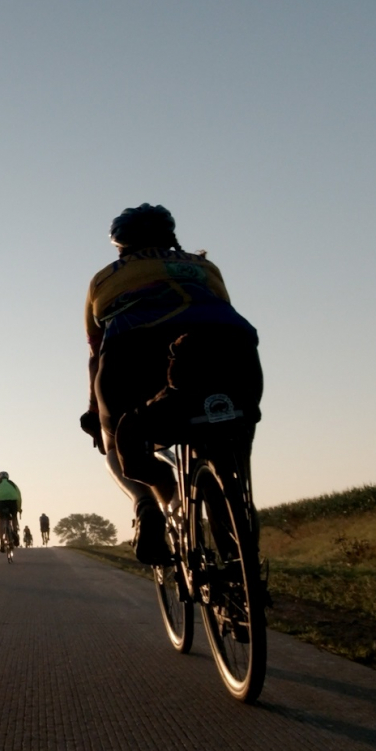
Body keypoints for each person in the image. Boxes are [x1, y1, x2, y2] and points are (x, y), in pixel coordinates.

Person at [79, 204, 262, 564]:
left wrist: (93, 412)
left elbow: (96, 351)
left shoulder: (102, 279)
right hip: (227, 348)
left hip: (132, 355)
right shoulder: (204, 267)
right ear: (170, 236)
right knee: (230, 447)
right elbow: (222, 311)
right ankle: (243, 565)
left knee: (117, 442)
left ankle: (146, 503)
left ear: (120, 246)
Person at [0, 472, 21, 552]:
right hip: (12, 501)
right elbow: (19, 496)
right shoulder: (12, 484)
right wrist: (19, 508)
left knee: (1, 520)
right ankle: (15, 532)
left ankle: (1, 541)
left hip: (0, 502)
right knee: (14, 516)